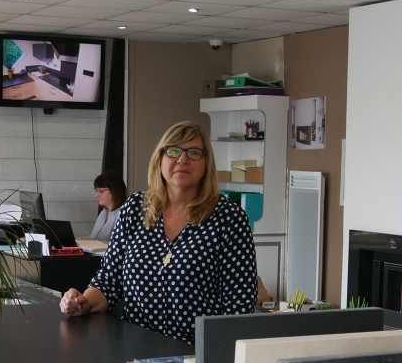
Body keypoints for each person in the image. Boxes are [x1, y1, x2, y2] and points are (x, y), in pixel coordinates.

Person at [60, 121, 257, 343]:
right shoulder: (135, 208)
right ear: (160, 159)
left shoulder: (229, 218)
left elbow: (239, 307)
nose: (182, 159)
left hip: (195, 355)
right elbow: (109, 281)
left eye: (193, 153)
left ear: (206, 164)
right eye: (173, 151)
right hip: (134, 352)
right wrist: (82, 302)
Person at [88, 170, 127, 243]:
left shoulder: (124, 214)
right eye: (96, 190)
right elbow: (94, 238)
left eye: (101, 191)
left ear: (114, 190)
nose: (96, 195)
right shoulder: (103, 213)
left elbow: (121, 244)